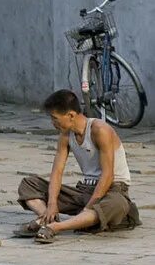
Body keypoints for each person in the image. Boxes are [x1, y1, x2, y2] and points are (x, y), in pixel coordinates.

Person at [14, 89, 141, 244]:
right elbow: (57, 171)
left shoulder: (100, 130)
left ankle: (56, 227)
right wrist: (52, 204)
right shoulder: (66, 135)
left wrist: (89, 206)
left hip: (111, 190)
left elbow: (108, 175)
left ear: (71, 115)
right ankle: (46, 219)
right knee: (29, 185)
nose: (53, 123)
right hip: (85, 191)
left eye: (55, 118)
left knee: (116, 205)